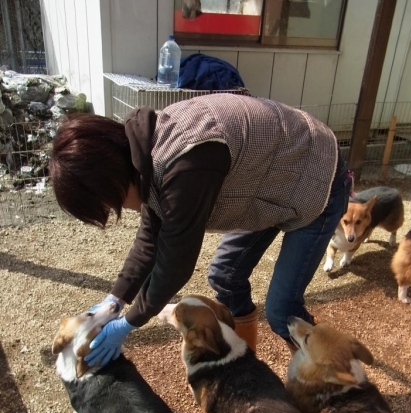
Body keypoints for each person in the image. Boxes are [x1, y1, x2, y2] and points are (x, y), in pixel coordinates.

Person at [50, 93, 351, 368]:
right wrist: (115, 300)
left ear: (112, 176)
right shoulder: (142, 153)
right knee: (226, 275)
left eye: (109, 203)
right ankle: (246, 368)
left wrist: (127, 323)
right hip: (268, 182)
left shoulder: (185, 163)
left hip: (315, 175)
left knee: (282, 311)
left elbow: (175, 263)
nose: (120, 210)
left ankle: (326, 379)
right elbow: (149, 241)